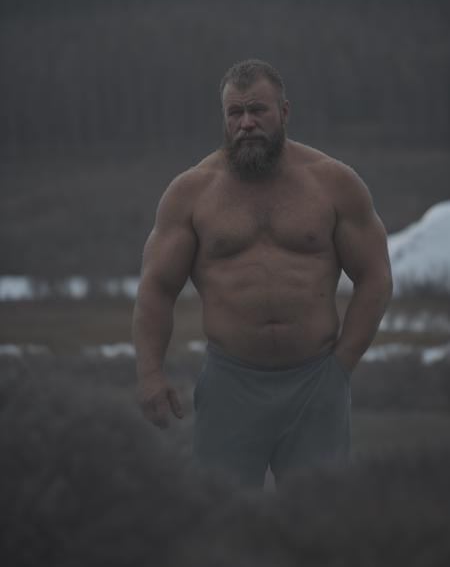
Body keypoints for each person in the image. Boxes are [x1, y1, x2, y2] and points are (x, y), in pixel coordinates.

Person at [132, 59, 392, 488]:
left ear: (284, 112)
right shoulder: (191, 191)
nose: (247, 123)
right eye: (235, 113)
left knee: (320, 524)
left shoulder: (333, 183)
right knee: (221, 523)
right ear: (224, 119)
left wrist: (341, 365)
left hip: (315, 379)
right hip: (230, 382)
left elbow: (375, 276)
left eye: (258, 110)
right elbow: (156, 289)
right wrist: (149, 374)